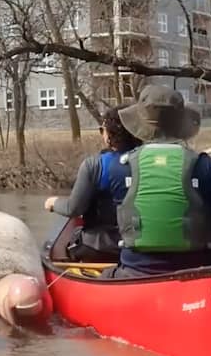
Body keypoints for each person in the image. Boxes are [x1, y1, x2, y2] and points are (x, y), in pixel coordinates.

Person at [57, 85, 211, 309]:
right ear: (181, 124)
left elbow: (85, 210)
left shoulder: (114, 168)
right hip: (203, 277)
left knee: (103, 275)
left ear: (140, 126)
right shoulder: (209, 168)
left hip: (136, 274)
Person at [42, 107, 142, 263]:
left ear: (109, 134)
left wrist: (53, 203)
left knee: (68, 242)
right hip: (143, 245)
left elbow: (74, 209)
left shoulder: (95, 165)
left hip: (101, 247)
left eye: (102, 129)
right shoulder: (153, 161)